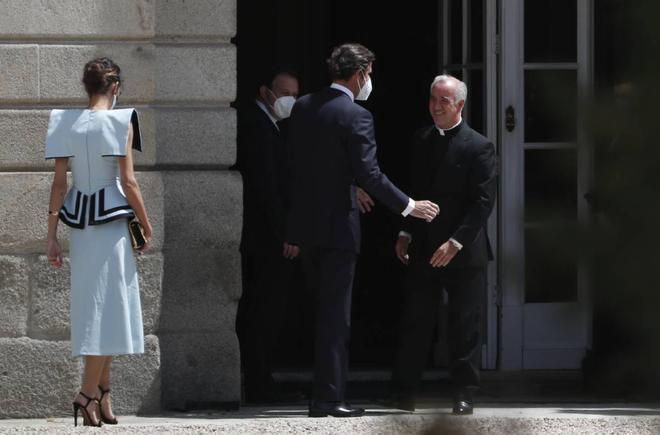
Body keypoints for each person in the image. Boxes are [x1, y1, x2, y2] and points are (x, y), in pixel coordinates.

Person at [286, 43, 440, 417]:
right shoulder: (357, 115)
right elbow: (370, 174)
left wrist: (292, 227)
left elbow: (297, 168)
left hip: (306, 227)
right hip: (339, 227)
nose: (370, 81)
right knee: (336, 317)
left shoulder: (303, 106)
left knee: (321, 312)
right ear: (359, 74)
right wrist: (409, 206)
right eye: (369, 74)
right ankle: (330, 398)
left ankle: (322, 392)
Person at [45, 57, 152, 427]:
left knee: (97, 309)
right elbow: (130, 181)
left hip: (80, 224)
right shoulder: (122, 120)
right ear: (116, 87)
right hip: (111, 224)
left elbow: (60, 184)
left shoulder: (64, 121)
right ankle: (87, 393)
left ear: (87, 86)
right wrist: (146, 223)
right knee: (109, 311)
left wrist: (51, 236)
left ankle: (103, 394)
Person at [388, 74, 496, 415]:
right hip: (424, 245)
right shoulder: (421, 139)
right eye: (433, 99)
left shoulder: (479, 146)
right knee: (416, 321)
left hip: (462, 249)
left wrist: (455, 242)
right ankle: (404, 392)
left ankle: (464, 393)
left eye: (443, 102)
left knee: (465, 326)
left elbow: (483, 203)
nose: (436, 107)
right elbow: (413, 190)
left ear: (459, 105)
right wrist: (405, 231)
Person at [235, 67, 302, 403]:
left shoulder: (272, 126)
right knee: (264, 310)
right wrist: (287, 233)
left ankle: (261, 377)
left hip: (267, 235)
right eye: (285, 93)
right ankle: (258, 381)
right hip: (266, 238)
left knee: (266, 309)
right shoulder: (259, 127)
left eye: (295, 94)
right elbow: (267, 190)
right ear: (266, 92)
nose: (290, 100)